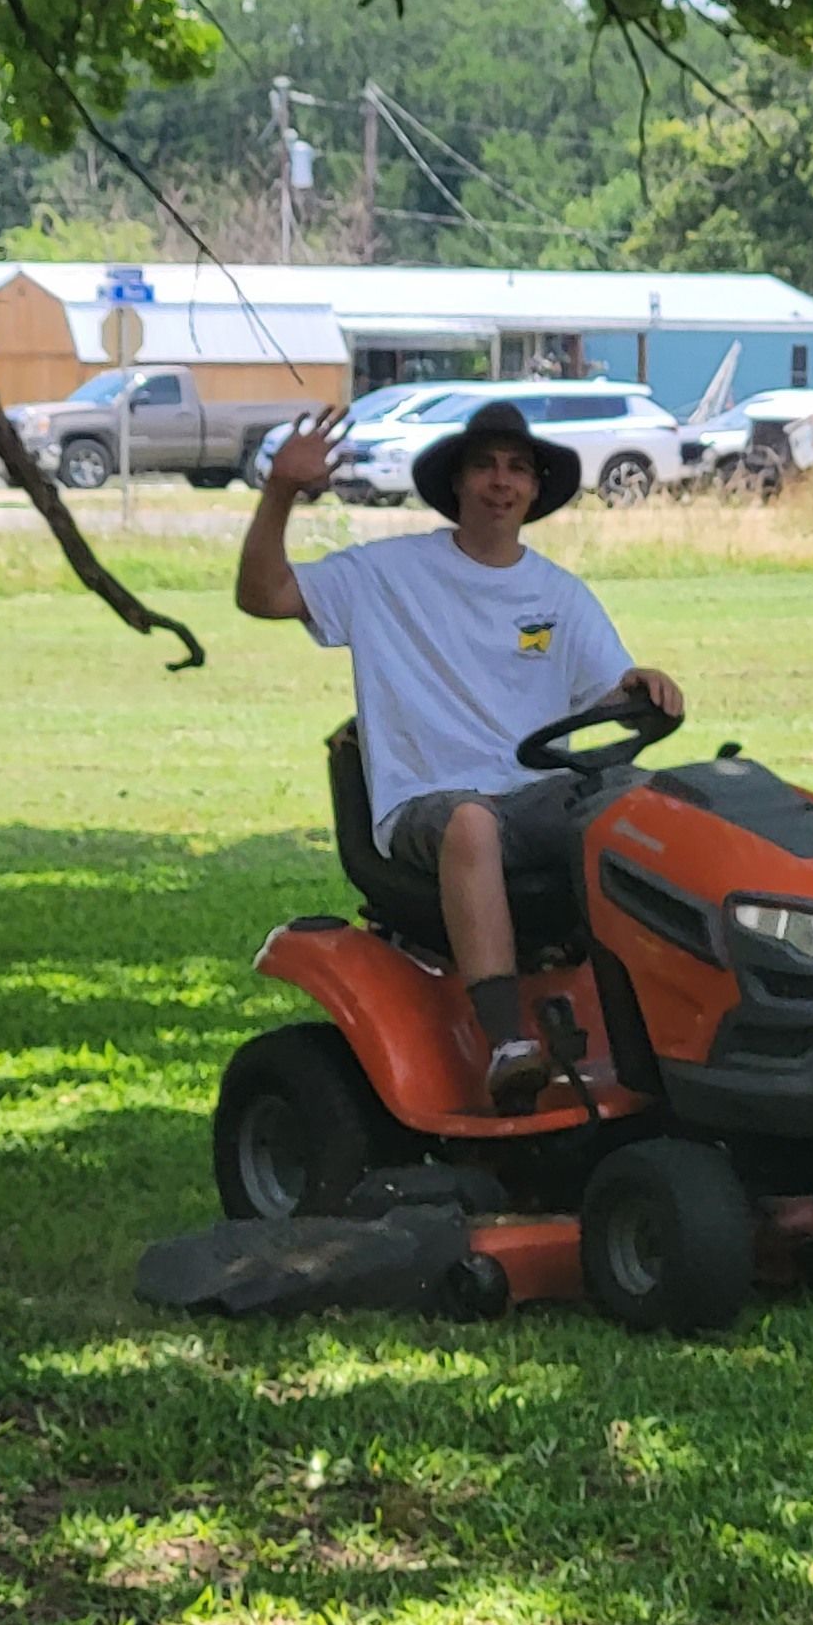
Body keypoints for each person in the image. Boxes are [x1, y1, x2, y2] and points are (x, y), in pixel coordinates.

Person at [236, 397, 683, 1110]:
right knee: (472, 822)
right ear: (457, 485)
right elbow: (263, 595)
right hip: (430, 800)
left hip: (537, 794)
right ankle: (507, 1043)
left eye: (517, 468)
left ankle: (683, 1020)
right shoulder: (386, 574)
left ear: (536, 489)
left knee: (658, 808)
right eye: (484, 467)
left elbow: (609, 694)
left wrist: (643, 686)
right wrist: (282, 491)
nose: (501, 482)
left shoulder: (560, 596)